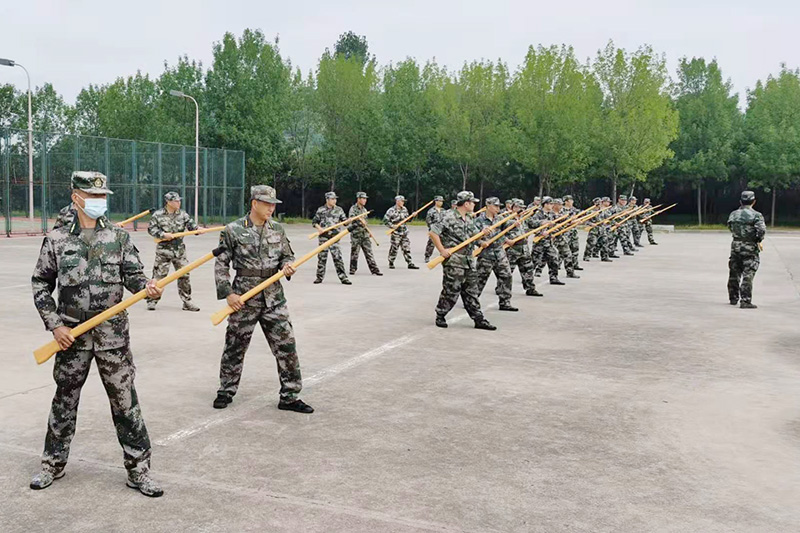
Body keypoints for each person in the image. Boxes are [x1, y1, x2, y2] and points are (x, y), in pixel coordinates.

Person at [30, 171, 165, 497]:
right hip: (72, 335)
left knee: (125, 402)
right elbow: (40, 284)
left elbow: (134, 277)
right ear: (76, 196)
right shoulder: (58, 239)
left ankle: (139, 469)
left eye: (102, 197)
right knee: (65, 400)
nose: (98, 202)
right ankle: (52, 463)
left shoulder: (118, 237)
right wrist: (55, 324)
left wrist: (149, 287)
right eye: (92, 196)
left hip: (112, 336)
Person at [213, 185, 313, 413]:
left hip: (273, 297)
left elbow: (287, 255)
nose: (271, 208)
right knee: (235, 346)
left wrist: (288, 265)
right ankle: (226, 390)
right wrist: (228, 293)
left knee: (286, 346)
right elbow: (221, 264)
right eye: (267, 204)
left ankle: (290, 395)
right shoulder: (233, 230)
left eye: (273, 204)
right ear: (254, 203)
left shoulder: (277, 229)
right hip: (244, 298)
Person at [428, 191, 496, 330]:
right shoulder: (448, 216)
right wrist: (442, 250)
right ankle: (440, 314)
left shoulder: (469, 218)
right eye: (472, 203)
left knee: (472, 291)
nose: (474, 205)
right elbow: (433, 232)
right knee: (452, 290)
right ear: (466, 203)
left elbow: (473, 235)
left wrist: (481, 239)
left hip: (468, 260)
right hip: (454, 260)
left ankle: (478, 319)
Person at [145, 191, 200, 311]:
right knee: (159, 276)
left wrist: (197, 229)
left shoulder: (183, 214)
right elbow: (151, 229)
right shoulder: (158, 215)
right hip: (163, 250)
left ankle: (187, 302)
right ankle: (152, 300)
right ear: (168, 202)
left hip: (179, 250)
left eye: (179, 200)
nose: (178, 203)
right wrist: (163, 234)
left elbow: (191, 226)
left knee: (184, 275)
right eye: (176, 201)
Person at [474, 197, 517, 311]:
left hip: (499, 252)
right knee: (479, 280)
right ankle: (472, 301)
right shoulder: (478, 220)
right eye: (496, 206)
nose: (498, 208)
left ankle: (505, 302)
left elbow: (504, 231)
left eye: (499, 206)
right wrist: (480, 242)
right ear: (488, 206)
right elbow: (472, 236)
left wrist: (513, 228)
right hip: (486, 255)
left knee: (506, 276)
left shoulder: (500, 219)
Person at [727, 190, 766, 309]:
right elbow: (761, 230)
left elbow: (730, 226)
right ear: (754, 201)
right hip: (749, 247)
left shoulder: (733, 214)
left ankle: (733, 297)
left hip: (736, 246)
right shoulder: (756, 215)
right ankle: (745, 300)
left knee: (734, 272)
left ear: (740, 201)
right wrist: (758, 240)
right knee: (748, 273)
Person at [504, 199, 543, 297]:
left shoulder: (525, 218)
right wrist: (505, 240)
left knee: (528, 270)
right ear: (512, 208)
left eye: (521, 208)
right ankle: (502, 289)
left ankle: (530, 288)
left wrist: (543, 222)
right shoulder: (505, 218)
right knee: (507, 272)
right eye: (517, 207)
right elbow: (498, 232)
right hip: (511, 249)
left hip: (524, 249)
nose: (520, 209)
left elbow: (534, 224)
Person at [312, 192, 351, 284]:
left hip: (335, 238)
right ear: (327, 200)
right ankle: (319, 277)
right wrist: (319, 228)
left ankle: (343, 277)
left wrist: (348, 221)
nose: (335, 201)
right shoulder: (321, 210)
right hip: (323, 238)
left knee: (338, 258)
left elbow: (344, 222)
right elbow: (314, 222)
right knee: (322, 258)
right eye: (332, 199)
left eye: (335, 199)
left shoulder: (339, 210)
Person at [530, 197, 565, 285]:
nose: (551, 205)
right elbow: (531, 225)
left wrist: (555, 229)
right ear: (545, 204)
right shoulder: (538, 214)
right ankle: (528, 278)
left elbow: (557, 224)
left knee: (554, 259)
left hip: (549, 241)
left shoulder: (552, 214)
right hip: (539, 242)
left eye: (552, 204)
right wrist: (541, 228)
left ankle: (553, 278)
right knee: (534, 261)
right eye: (550, 204)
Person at [348, 192, 382, 276]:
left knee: (369, 252)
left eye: (365, 199)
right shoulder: (353, 209)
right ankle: (352, 269)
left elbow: (365, 222)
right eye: (363, 198)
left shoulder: (364, 210)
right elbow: (351, 219)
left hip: (364, 234)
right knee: (355, 253)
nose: (365, 200)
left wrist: (368, 231)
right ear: (358, 199)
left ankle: (374, 269)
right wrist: (359, 220)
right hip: (356, 234)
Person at [383, 195, 419, 269]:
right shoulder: (391, 210)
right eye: (402, 201)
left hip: (404, 232)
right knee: (394, 248)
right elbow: (385, 221)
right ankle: (391, 262)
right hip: (396, 233)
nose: (403, 203)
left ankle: (410, 263)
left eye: (403, 201)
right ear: (397, 201)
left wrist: (412, 216)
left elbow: (408, 220)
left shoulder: (404, 209)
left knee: (406, 248)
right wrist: (392, 226)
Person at [551, 198, 580, 279]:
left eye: (561, 204)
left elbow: (567, 222)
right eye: (559, 204)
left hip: (561, 237)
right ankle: (536, 271)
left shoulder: (562, 213)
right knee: (545, 257)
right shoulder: (550, 214)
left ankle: (570, 272)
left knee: (568, 254)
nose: (561, 206)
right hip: (551, 237)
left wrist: (574, 221)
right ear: (555, 205)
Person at [562, 195, 583, 271]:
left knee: (575, 248)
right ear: (566, 202)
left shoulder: (574, 210)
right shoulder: (562, 210)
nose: (572, 202)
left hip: (573, 232)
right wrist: (572, 222)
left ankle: (575, 264)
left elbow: (581, 216)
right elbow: (563, 222)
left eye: (572, 200)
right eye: (570, 200)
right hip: (565, 232)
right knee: (563, 250)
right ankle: (557, 264)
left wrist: (579, 221)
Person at [424, 196, 445, 263]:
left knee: (444, 243)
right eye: (439, 201)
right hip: (434, 230)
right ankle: (427, 256)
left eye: (441, 201)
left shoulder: (443, 211)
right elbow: (428, 221)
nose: (441, 203)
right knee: (431, 244)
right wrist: (431, 229)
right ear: (436, 201)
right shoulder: (431, 211)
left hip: (442, 230)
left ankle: (443, 255)